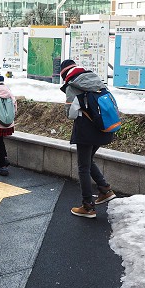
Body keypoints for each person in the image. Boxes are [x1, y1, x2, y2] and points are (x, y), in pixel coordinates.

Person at [60, 59, 116, 218]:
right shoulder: (96, 79)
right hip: (104, 128)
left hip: (86, 130)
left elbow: (70, 114)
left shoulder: (73, 86)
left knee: (83, 167)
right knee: (88, 160)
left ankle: (88, 206)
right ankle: (104, 189)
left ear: (65, 74)